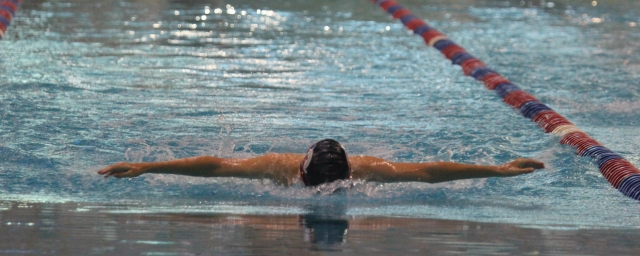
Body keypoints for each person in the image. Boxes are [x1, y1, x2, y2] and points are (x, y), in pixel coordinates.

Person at [98, 139, 544, 186]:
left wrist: (502, 171)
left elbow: (430, 171)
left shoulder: (370, 170)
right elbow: (215, 166)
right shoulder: (273, 166)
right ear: (300, 173)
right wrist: (146, 167)